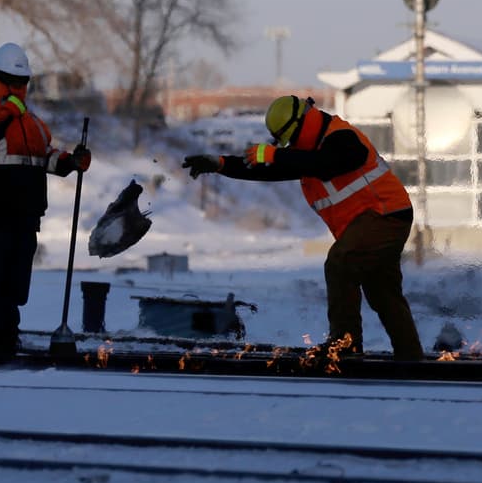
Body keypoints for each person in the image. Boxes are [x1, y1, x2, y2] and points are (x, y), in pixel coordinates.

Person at [181, 95, 425, 361]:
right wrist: (221, 163)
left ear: (300, 126)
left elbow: (327, 163)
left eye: (291, 140)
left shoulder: (341, 138)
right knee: (383, 292)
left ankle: (344, 346)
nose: (291, 146)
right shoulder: (306, 154)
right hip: (380, 219)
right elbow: (268, 169)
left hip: (384, 214)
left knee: (340, 264)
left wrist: (277, 154)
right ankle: (411, 357)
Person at [0, 42, 91, 358]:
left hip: (24, 215)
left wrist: (72, 162)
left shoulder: (33, 124)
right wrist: (8, 113)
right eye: (10, 81)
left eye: (21, 82)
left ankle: (5, 342)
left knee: (13, 285)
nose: (17, 88)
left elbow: (45, 158)